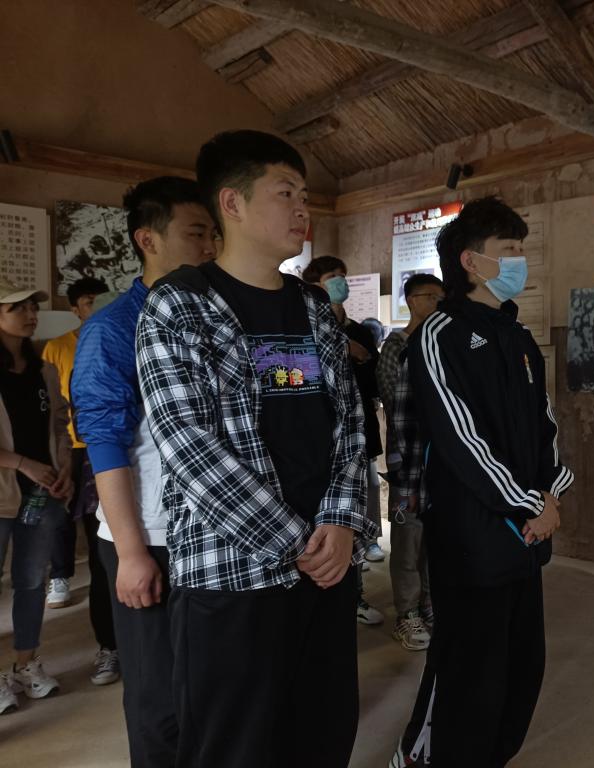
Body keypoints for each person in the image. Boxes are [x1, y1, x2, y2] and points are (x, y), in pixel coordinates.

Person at [135, 130, 374, 768]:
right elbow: (188, 444)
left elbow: (350, 422)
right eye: (285, 192)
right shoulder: (178, 306)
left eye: (305, 195)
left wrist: (341, 522)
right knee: (233, 747)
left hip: (328, 565)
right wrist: (299, 543)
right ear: (232, 204)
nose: (302, 208)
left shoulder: (313, 308)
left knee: (322, 734)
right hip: (234, 572)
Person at [395, 196, 574, 767]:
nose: (520, 260)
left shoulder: (516, 337)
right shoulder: (440, 334)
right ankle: (424, 755)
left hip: (526, 533)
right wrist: (528, 502)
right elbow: (461, 438)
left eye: (521, 249)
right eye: (508, 250)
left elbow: (544, 423)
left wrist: (551, 493)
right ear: (471, 261)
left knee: (521, 664)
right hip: (473, 534)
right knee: (469, 666)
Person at [72, 177, 217, 765]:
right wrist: (131, 553)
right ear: (147, 240)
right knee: (159, 695)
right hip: (149, 534)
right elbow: (104, 442)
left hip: (211, 533)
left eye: (213, 234)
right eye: (195, 233)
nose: (209, 246)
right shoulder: (113, 327)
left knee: (209, 685)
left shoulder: (213, 314)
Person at [41, 276, 121, 686]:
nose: (97, 307)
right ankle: (109, 645)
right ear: (75, 309)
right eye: (89, 301)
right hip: (84, 450)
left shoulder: (129, 336)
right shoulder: (61, 347)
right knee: (99, 547)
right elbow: (59, 408)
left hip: (124, 450)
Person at [0, 279, 73, 714]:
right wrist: (22, 463)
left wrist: (64, 468)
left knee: (31, 581)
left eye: (32, 307)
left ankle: (25, 664)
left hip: (42, 494)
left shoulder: (43, 368)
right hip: (4, 493)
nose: (31, 315)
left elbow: (60, 423)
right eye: (18, 308)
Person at [301, 255, 385, 626]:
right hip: (318, 442)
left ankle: (356, 591)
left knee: (360, 497)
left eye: (342, 276)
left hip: (358, 431)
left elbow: (373, 382)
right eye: (332, 276)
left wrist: (360, 357)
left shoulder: (361, 331)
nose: (340, 282)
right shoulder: (304, 325)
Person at [377, 273, 443, 652]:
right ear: (412, 301)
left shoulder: (441, 342)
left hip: (438, 462)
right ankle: (407, 613)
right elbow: (392, 397)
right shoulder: (396, 346)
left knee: (435, 539)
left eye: (440, 297)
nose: (437, 303)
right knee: (407, 539)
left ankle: (431, 605)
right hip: (407, 461)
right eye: (430, 296)